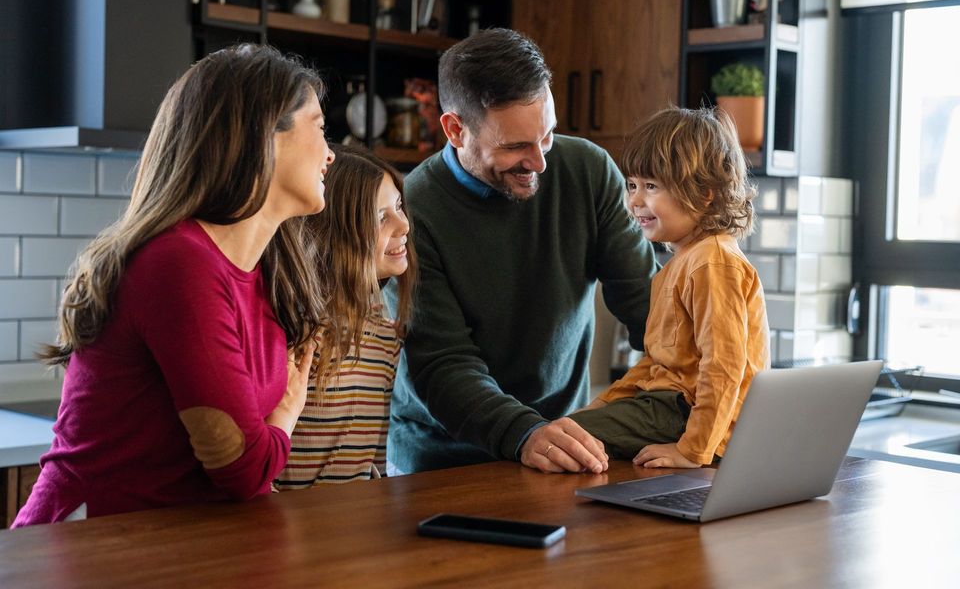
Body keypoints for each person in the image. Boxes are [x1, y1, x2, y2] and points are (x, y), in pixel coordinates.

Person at [13, 44, 335, 527]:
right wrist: (286, 413)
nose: (331, 153)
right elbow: (241, 469)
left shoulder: (264, 272)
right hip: (86, 550)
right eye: (320, 127)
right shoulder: (178, 264)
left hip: (172, 550)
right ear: (263, 134)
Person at [386, 28, 659, 475]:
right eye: (515, 146)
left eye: (546, 135)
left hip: (561, 445)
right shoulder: (410, 213)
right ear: (456, 129)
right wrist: (526, 433)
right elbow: (442, 364)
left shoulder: (588, 172)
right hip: (442, 463)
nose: (540, 163)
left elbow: (647, 304)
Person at [569, 106, 770, 468]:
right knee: (565, 435)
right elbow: (657, 365)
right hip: (667, 407)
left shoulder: (712, 262)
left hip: (685, 415)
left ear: (704, 193)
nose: (634, 200)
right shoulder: (678, 266)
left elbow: (724, 367)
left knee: (560, 444)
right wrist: (602, 404)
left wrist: (692, 450)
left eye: (651, 186)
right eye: (632, 185)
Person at [275, 147, 416, 487]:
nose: (405, 224)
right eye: (382, 218)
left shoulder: (386, 329)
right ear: (336, 233)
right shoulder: (293, 331)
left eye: (399, 207)